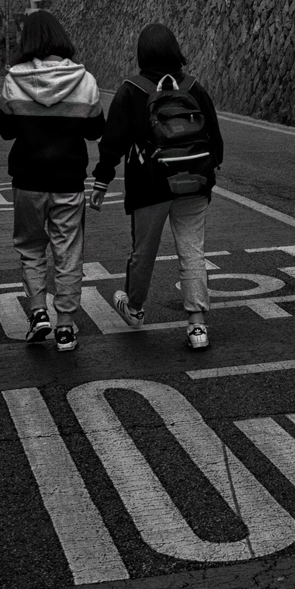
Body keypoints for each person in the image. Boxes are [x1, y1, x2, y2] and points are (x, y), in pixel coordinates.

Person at [90, 24, 223, 351]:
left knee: (144, 251)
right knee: (192, 250)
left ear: (142, 54)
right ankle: (197, 325)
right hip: (194, 183)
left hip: (150, 184)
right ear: (174, 50)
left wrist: (102, 181)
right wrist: (209, 168)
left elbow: (113, 142)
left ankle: (134, 308)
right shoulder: (194, 87)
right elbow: (214, 138)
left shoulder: (132, 90)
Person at [0, 11, 105, 352]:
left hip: (27, 181)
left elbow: (5, 130)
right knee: (68, 253)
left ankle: (38, 312)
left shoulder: (14, 79)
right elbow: (95, 130)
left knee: (31, 247)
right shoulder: (85, 80)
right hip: (69, 181)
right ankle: (66, 326)